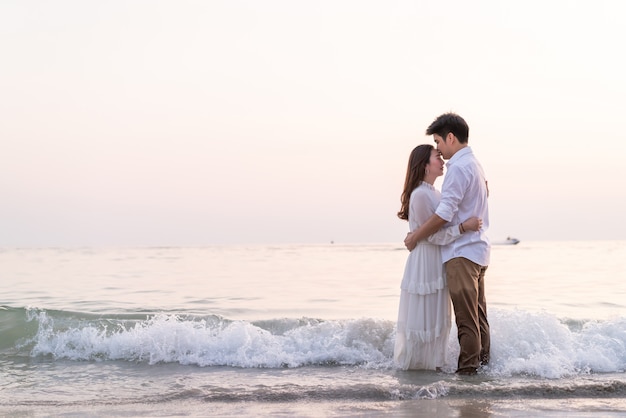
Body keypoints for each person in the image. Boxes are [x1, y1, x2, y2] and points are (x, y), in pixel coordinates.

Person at [404, 113, 490, 375]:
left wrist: (416, 236)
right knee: (478, 318)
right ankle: (484, 370)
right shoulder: (474, 164)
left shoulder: (459, 169)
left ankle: (467, 374)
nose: (439, 150)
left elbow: (443, 215)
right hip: (477, 250)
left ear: (451, 137)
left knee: (466, 321)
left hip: (462, 252)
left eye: (439, 142)